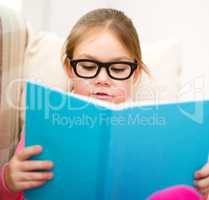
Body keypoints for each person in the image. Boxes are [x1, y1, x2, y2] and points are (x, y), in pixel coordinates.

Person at [0, 8, 208, 200]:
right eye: (88, 66)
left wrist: (203, 185)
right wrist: (9, 181)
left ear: (134, 74)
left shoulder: (156, 124)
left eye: (117, 69)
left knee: (181, 194)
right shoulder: (45, 122)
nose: (102, 79)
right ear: (69, 69)